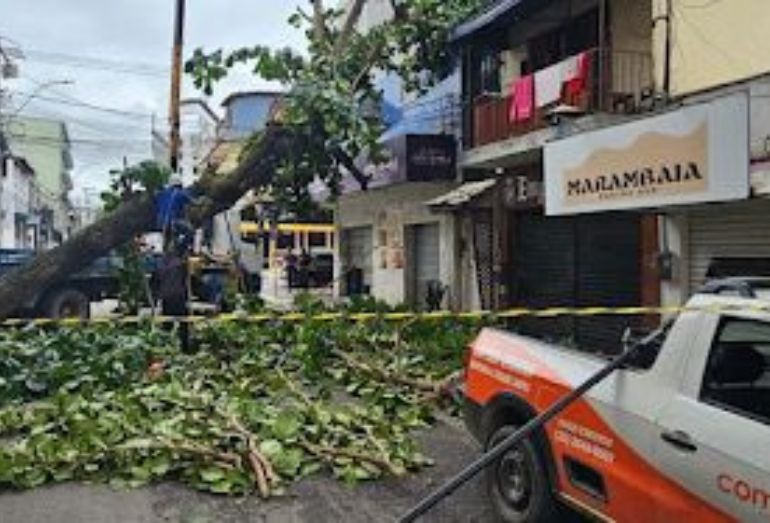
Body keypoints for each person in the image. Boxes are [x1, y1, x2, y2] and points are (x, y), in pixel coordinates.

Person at [156, 245, 192, 353]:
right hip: (179, 298)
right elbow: (187, 280)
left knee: (167, 324)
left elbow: (156, 283)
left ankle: (165, 348)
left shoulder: (161, 267)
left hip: (167, 299)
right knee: (184, 323)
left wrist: (157, 297)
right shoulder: (181, 265)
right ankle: (185, 348)